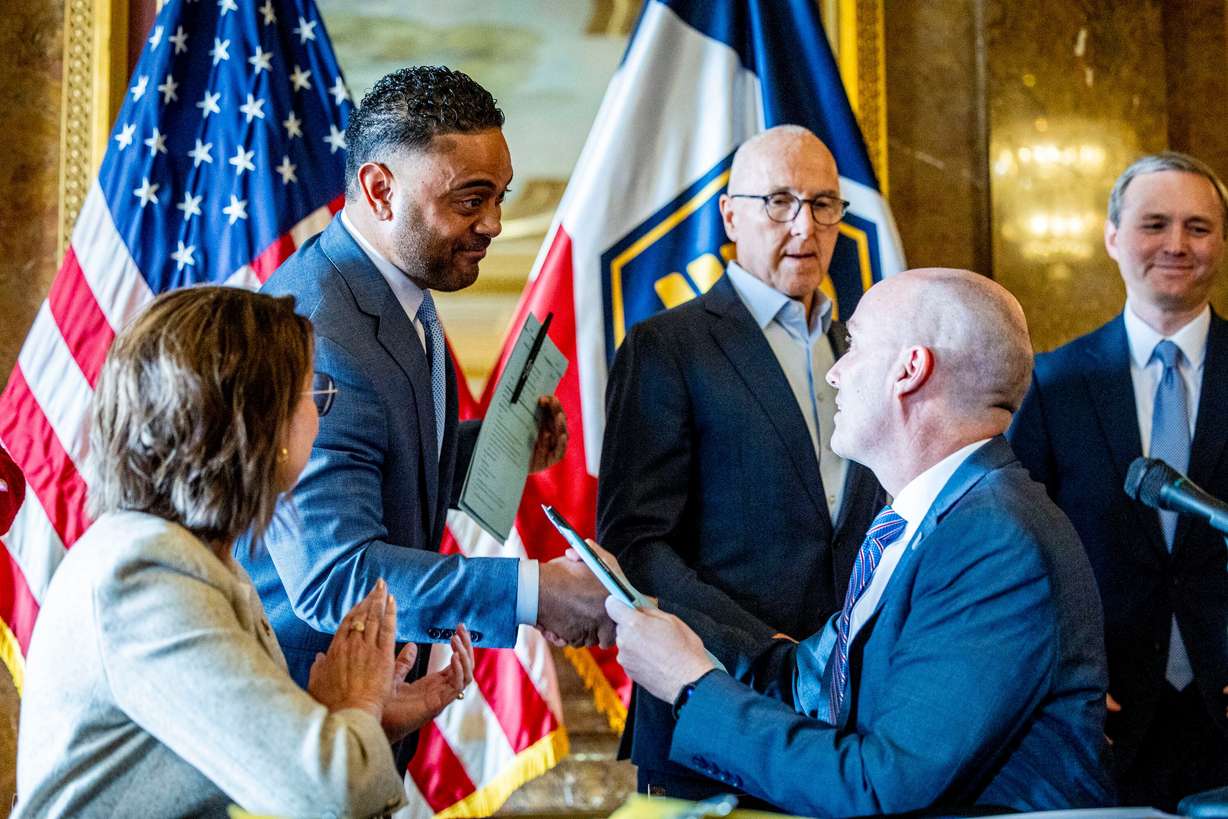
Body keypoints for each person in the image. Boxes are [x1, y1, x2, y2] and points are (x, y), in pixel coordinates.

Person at [602, 268, 1113, 815]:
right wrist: (653, 616)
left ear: (910, 370)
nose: (836, 374)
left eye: (854, 346)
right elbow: (808, 681)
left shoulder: (993, 540)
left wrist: (692, 687)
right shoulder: (926, 519)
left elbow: (880, 786)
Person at [14, 287, 474, 818]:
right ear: (259, 425)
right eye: (312, 393)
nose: (321, 415)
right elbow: (330, 793)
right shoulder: (146, 576)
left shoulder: (194, 556)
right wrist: (358, 708)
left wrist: (348, 722)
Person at [240, 65, 611, 695]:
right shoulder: (319, 337)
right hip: (301, 718)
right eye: (470, 199)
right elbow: (338, 577)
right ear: (380, 188)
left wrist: (492, 447)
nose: (494, 223)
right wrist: (534, 591)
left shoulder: (401, 280)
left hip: (360, 708)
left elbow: (378, 458)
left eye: (500, 196)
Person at [597, 124, 884, 801]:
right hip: (711, 703)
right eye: (779, 202)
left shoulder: (861, 346)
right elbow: (636, 545)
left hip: (849, 719)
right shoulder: (667, 346)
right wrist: (768, 651)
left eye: (823, 204)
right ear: (730, 216)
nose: (804, 226)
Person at [1009, 151, 1228, 809]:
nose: (1176, 244)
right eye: (1154, 223)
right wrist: (1056, 672)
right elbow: (1021, 546)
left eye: (1199, 227)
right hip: (1100, 712)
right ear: (1111, 237)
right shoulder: (1054, 382)